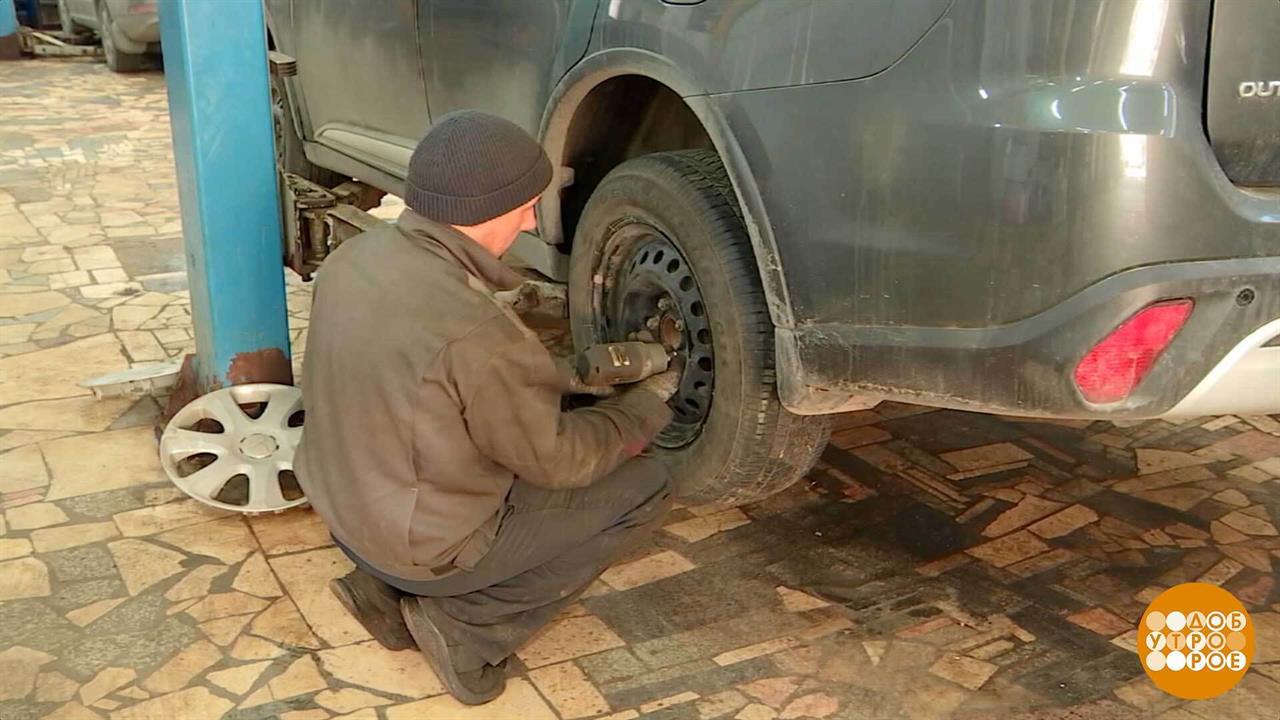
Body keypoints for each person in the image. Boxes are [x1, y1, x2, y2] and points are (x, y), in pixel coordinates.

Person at [295, 110, 680, 705]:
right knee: (649, 483)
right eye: (526, 207)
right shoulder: (479, 333)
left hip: (345, 515)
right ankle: (464, 625)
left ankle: (379, 594)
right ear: (488, 211)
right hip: (424, 550)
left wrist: (577, 372)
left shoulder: (356, 260)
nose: (529, 220)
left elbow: (434, 379)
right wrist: (644, 407)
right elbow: (558, 462)